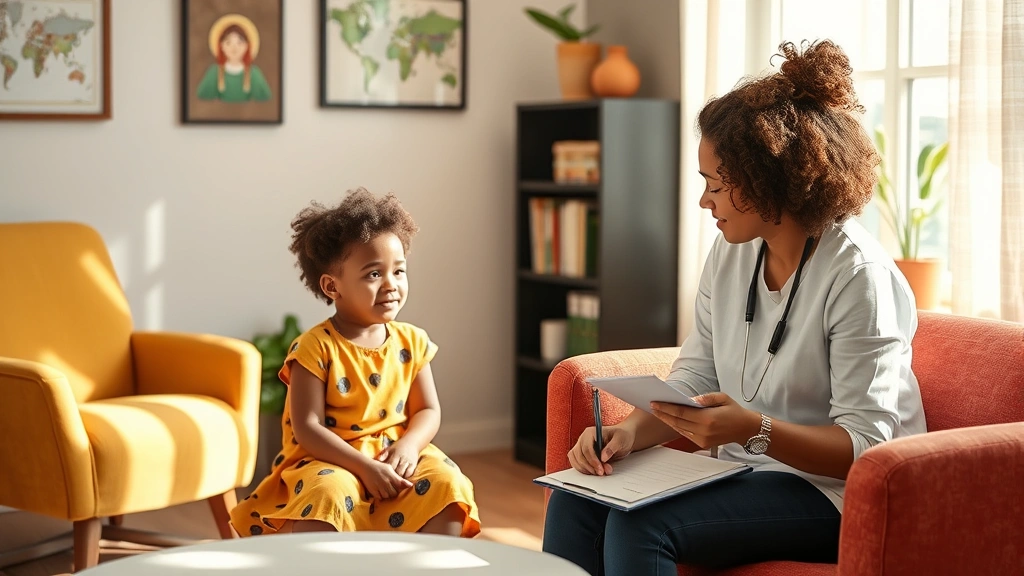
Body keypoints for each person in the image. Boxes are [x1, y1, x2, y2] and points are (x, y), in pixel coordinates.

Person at [541, 39, 926, 575]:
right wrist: (627, 434)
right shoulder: (731, 253)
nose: (704, 201)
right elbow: (695, 376)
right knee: (578, 496)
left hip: (836, 494)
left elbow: (866, 447)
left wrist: (752, 429)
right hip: (744, 474)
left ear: (770, 182)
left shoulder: (859, 276)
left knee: (642, 523)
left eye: (715, 185)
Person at [230, 188, 480, 538]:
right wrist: (363, 467)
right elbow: (308, 427)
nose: (391, 285)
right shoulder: (314, 347)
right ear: (333, 287)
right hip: (327, 460)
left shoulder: (413, 341)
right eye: (373, 274)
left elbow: (428, 411)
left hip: (394, 452)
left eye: (399, 271)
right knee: (327, 495)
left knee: (448, 484)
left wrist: (408, 447)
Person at [197, 14, 272, 102]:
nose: (234, 48)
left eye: (240, 43)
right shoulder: (214, 73)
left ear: (247, 46)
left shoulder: (254, 73)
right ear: (221, 46)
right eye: (228, 43)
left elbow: (264, 100)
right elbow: (203, 98)